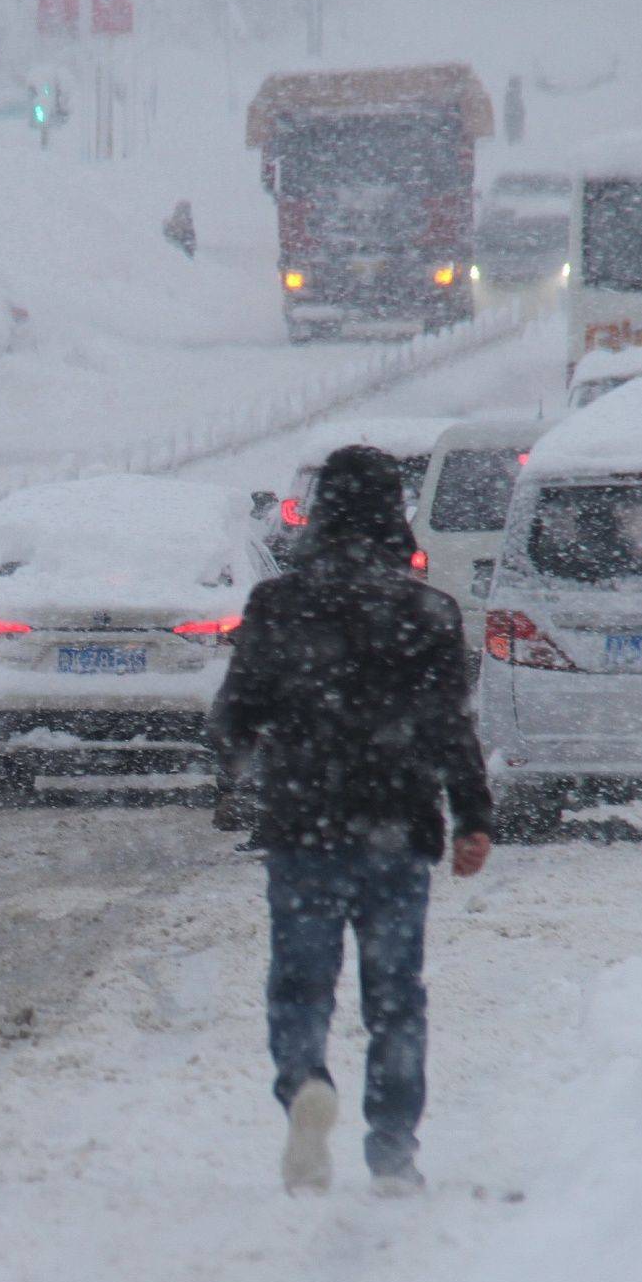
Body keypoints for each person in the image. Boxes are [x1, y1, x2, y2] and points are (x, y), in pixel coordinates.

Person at [210, 446, 493, 1197]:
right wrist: (472, 816)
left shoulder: (278, 606)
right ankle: (394, 1149)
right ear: (393, 516)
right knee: (395, 994)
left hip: (304, 827)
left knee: (301, 986)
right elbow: (449, 726)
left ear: (324, 513)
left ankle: (306, 1081)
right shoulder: (429, 613)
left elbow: (236, 714)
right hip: (397, 831)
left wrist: (233, 769)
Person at [502, 76, 526, 147]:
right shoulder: (513, 94)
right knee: (514, 134)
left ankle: (513, 142)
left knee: (513, 134)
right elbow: (517, 105)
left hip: (512, 116)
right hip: (513, 116)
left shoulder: (511, 93)